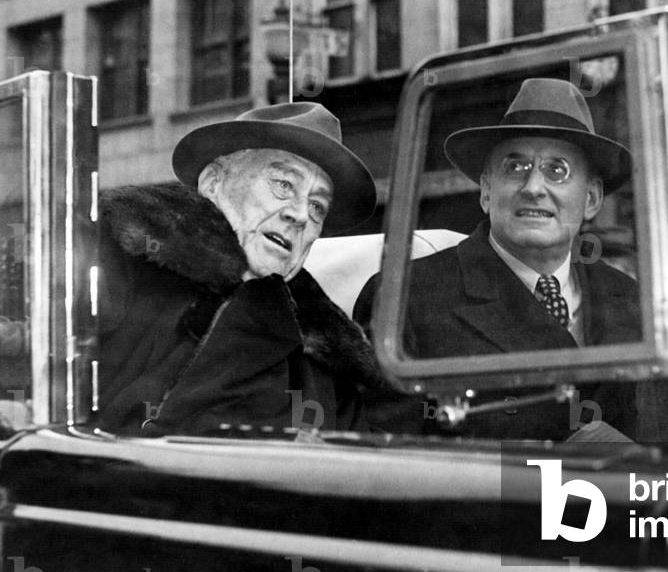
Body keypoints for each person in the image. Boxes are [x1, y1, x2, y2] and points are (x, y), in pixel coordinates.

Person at [354, 78, 639, 438]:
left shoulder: (632, 300)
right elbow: (392, 467)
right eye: (515, 168)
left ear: (592, 200)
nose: (534, 188)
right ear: (487, 191)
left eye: (557, 170)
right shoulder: (403, 302)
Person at [97, 103, 381, 436]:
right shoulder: (121, 266)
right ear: (213, 183)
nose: (301, 215)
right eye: (284, 184)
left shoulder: (330, 363)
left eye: (317, 206)